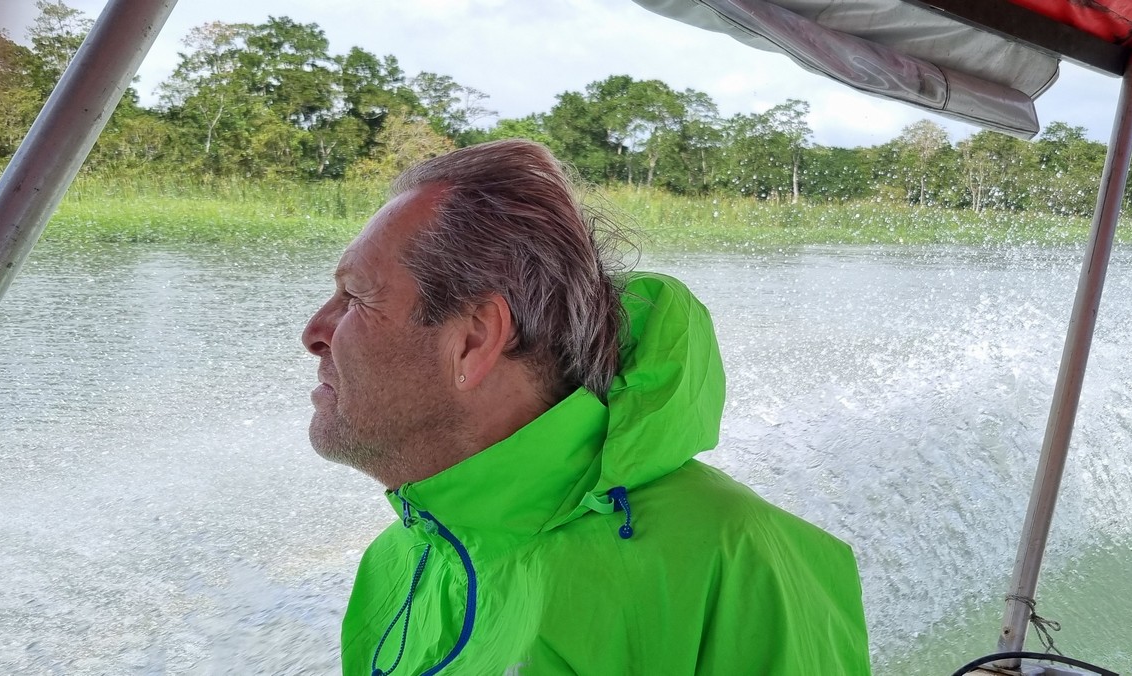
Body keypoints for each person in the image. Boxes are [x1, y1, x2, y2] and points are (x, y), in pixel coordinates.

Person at [301, 139, 870, 675]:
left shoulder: (734, 559)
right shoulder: (394, 562)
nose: (314, 333)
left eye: (356, 297)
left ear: (474, 339)